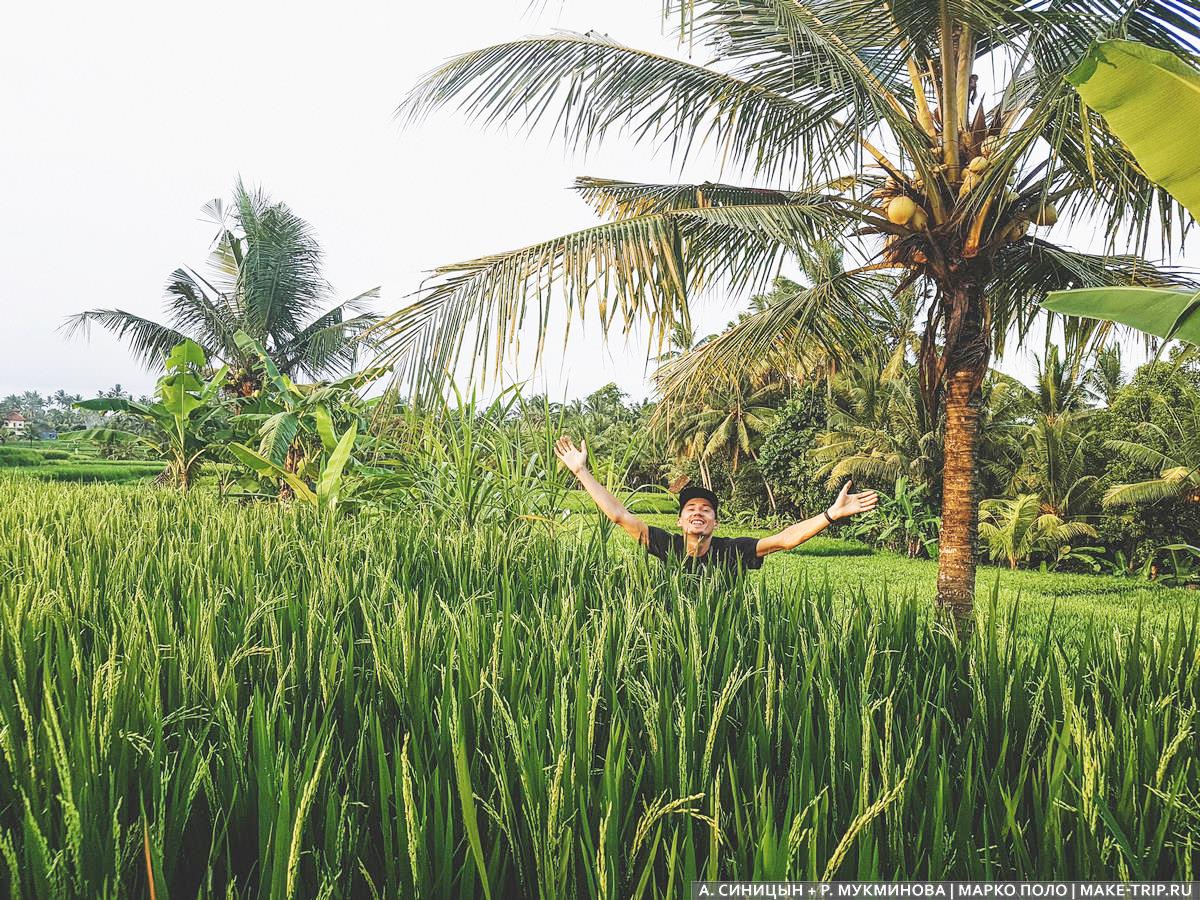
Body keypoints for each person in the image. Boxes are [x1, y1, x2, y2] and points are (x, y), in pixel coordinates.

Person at [554, 435, 879, 579]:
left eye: (706, 509)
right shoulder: (667, 545)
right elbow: (618, 515)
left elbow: (784, 539)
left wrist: (830, 515)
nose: (698, 512)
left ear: (715, 523)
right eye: (691, 508)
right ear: (680, 521)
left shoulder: (732, 551)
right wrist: (581, 471)